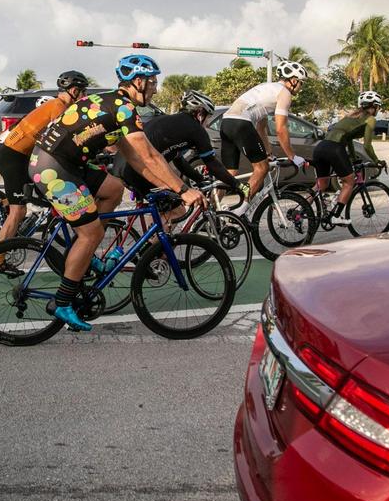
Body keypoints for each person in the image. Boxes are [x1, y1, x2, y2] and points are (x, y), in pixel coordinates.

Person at [30, 54, 205, 331]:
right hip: (53, 168)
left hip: (64, 163)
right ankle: (63, 302)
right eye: (153, 82)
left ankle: (86, 255)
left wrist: (163, 186)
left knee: (114, 188)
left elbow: (135, 157)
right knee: (91, 234)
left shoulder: (112, 102)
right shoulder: (123, 108)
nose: (155, 89)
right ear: (138, 82)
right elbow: (149, 155)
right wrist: (182, 189)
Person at [0, 71, 88, 270]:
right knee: (19, 211)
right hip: (13, 156)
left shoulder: (56, 104)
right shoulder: (59, 107)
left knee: (37, 189)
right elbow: (63, 140)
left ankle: (5, 202)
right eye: (83, 92)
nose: (84, 96)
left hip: (19, 155)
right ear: (74, 91)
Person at [111, 90, 240, 219]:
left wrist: (200, 180)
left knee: (163, 209)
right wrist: (237, 185)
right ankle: (155, 233)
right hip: (138, 170)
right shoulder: (196, 129)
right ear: (200, 113)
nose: (207, 123)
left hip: (121, 166)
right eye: (208, 117)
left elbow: (180, 161)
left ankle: (148, 231)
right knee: (177, 210)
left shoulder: (172, 122)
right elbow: (213, 164)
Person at [217, 61, 309, 209]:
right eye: (301, 83)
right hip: (241, 123)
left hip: (226, 122)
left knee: (230, 172)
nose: (301, 87)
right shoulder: (284, 93)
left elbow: (261, 127)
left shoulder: (266, 88)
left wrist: (269, 153)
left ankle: (210, 209)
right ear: (293, 80)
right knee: (261, 168)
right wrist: (292, 156)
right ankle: (240, 211)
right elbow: (281, 129)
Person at [310, 91, 386, 226]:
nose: (378, 110)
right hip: (335, 148)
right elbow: (367, 145)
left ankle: (301, 206)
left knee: (322, 185)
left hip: (321, 147)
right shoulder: (370, 119)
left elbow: (349, 138)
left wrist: (354, 158)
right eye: (378, 107)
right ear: (374, 106)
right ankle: (335, 216)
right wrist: (376, 161)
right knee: (349, 182)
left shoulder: (351, 116)